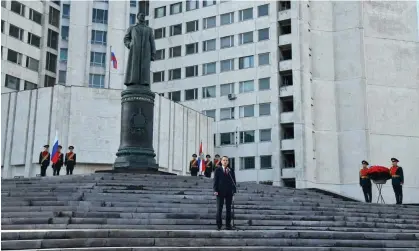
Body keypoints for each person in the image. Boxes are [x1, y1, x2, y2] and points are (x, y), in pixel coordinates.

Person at [213, 156, 236, 230]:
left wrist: (234, 191)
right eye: (224, 160)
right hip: (220, 192)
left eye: (226, 160)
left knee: (228, 209)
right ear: (221, 161)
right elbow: (215, 181)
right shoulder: (217, 170)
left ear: (228, 162)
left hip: (229, 192)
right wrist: (215, 190)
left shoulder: (231, 170)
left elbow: (234, 181)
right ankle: (219, 225)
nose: (225, 161)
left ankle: (228, 225)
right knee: (219, 209)